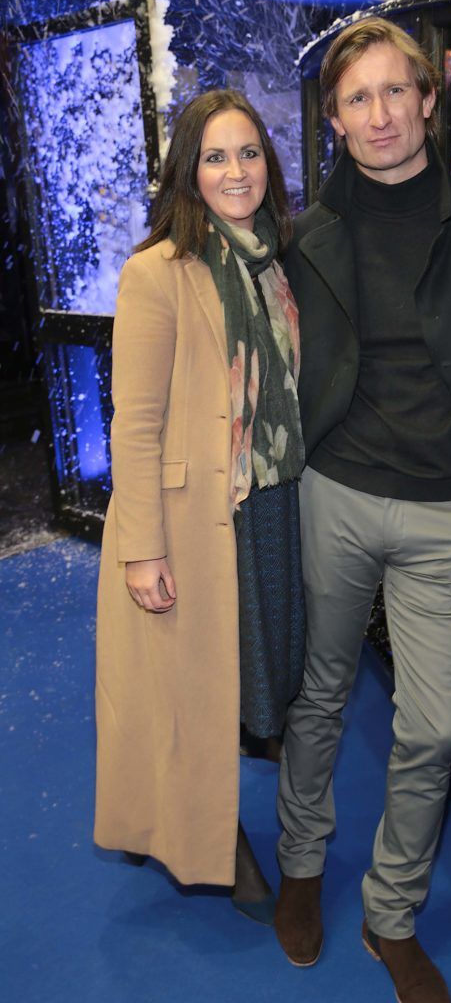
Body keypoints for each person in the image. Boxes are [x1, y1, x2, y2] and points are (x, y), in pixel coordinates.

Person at [274, 17, 451, 1002]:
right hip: (333, 494)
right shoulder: (304, 235)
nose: (378, 115)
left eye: (395, 92)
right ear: (334, 121)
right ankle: (302, 863)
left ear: (429, 100)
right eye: (356, 100)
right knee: (320, 694)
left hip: (449, 515)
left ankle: (392, 914)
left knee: (429, 728)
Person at [94, 90, 305, 926]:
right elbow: (134, 421)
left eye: (248, 153)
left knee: (253, 680)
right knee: (196, 693)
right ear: (188, 169)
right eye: (215, 156)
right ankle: (210, 844)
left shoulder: (277, 261)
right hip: (190, 522)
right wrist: (142, 547)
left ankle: (186, 812)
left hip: (268, 506)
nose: (235, 171)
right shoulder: (157, 272)